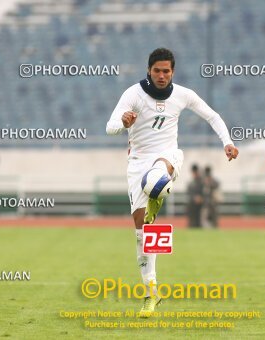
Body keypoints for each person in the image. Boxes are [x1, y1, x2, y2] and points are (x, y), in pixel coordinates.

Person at [106, 48, 238, 316]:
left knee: (155, 176)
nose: (162, 75)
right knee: (142, 232)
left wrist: (228, 142)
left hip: (167, 157)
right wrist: (123, 122)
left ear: (173, 72)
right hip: (137, 163)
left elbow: (212, 115)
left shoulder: (183, 95)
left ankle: (157, 189)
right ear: (149, 71)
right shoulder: (133, 94)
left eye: (166, 71)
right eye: (157, 71)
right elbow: (109, 126)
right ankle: (151, 292)